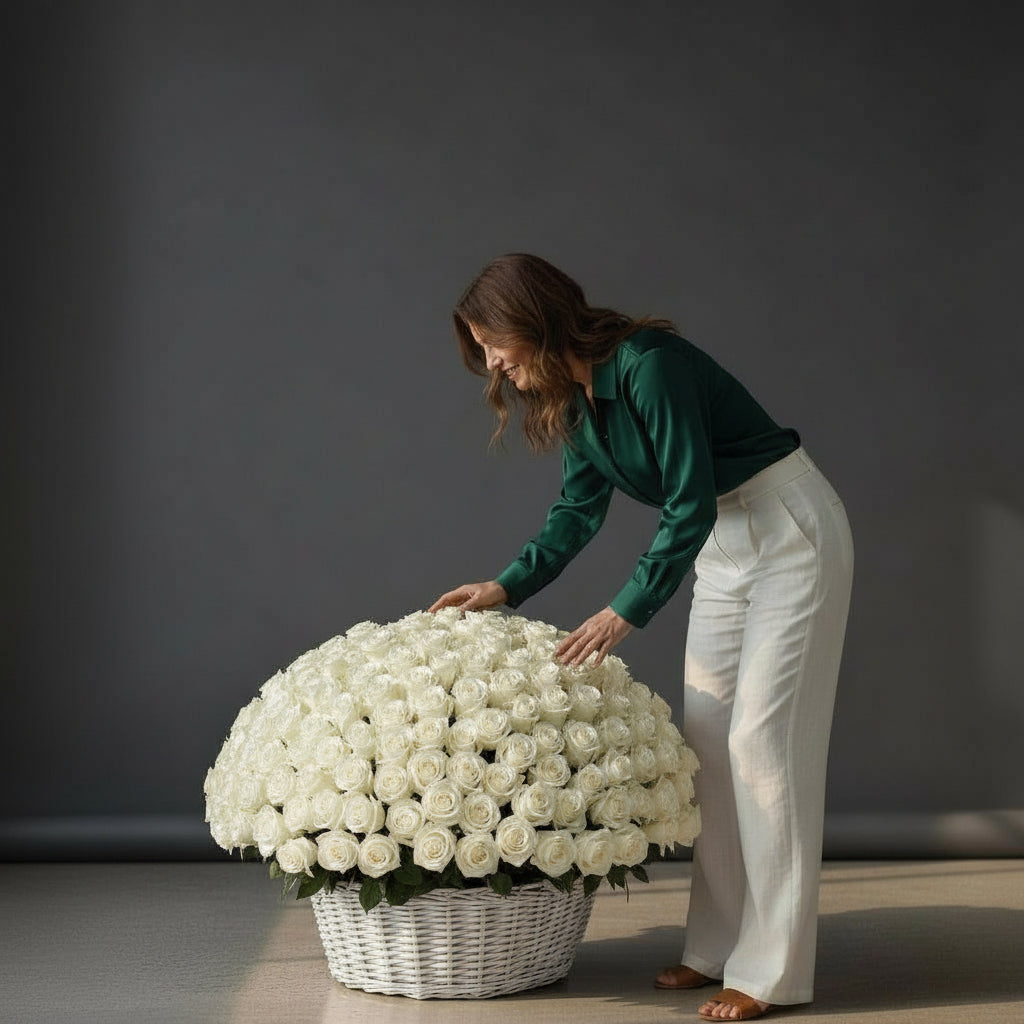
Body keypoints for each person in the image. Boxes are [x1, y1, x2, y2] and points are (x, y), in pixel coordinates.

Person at [429, 253, 853, 1022]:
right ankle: (715, 949)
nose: (490, 362)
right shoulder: (573, 398)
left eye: (494, 342)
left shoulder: (647, 367)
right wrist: (506, 585)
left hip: (790, 532)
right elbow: (577, 509)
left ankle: (772, 970)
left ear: (537, 319)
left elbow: (684, 501)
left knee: (762, 745)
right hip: (721, 544)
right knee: (710, 744)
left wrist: (626, 609)